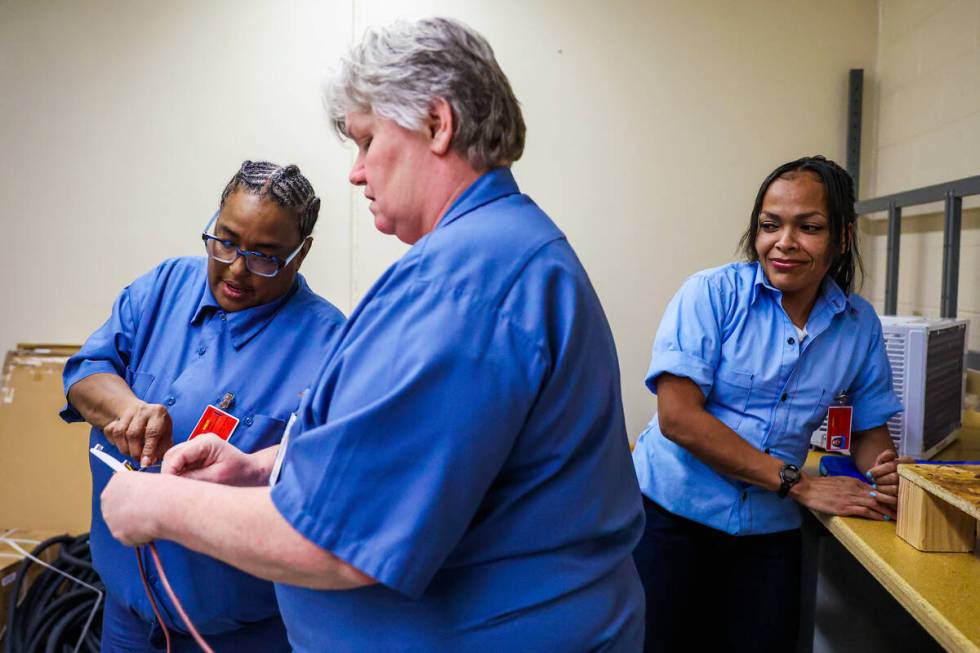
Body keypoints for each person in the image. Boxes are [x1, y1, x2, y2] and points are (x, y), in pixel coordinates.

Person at [98, 17, 646, 652]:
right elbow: (421, 451)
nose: (356, 173)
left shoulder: (463, 285)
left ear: (437, 124)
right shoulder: (507, 251)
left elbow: (337, 542)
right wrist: (263, 467)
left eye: (366, 142)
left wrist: (153, 505)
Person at [61, 161, 345, 652]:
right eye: (226, 240)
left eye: (265, 257)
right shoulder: (163, 287)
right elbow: (85, 373)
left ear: (301, 254)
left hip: (242, 635)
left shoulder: (331, 346)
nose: (236, 267)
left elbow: (325, 488)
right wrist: (127, 408)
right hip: (127, 621)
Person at [630, 155, 909, 652]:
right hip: (673, 515)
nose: (784, 242)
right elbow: (678, 417)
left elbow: (867, 430)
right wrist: (798, 483)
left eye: (809, 227)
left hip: (768, 528)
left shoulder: (858, 325)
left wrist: (885, 477)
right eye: (770, 225)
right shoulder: (710, 295)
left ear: (842, 238)